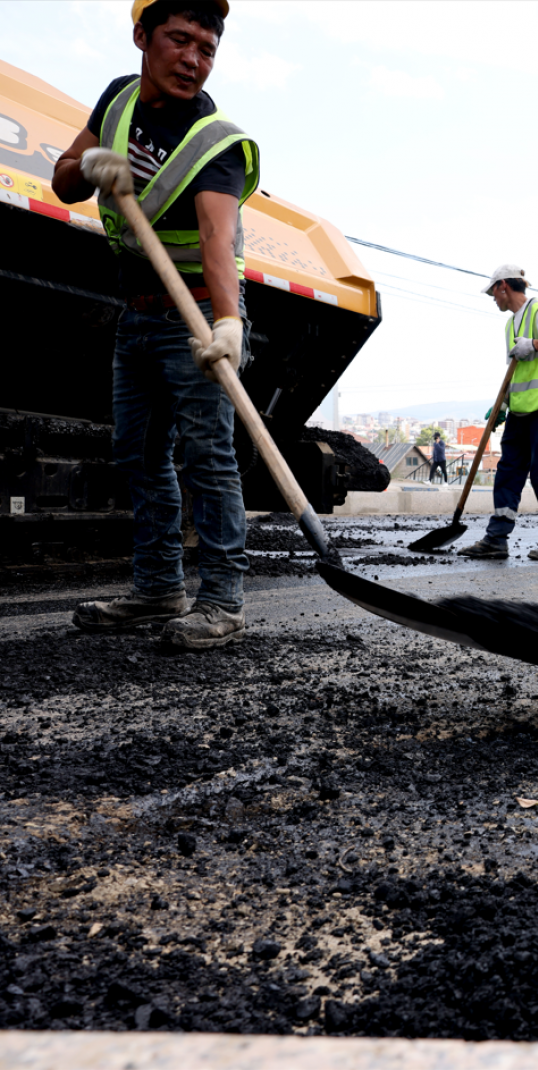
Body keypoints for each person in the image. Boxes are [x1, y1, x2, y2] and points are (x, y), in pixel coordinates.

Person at [53, 0, 258, 650]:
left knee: (208, 459)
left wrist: (227, 323)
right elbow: (61, 179)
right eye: (179, 40)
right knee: (140, 457)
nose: (193, 59)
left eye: (206, 48)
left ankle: (223, 602)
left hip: (197, 313)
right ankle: (157, 589)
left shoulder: (213, 139)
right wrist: (89, 166)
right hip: (136, 316)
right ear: (141, 36)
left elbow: (215, 237)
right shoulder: (117, 102)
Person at [459, 264, 538, 561]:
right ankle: (496, 539)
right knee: (508, 473)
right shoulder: (510, 325)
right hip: (519, 412)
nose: (493, 299)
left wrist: (535, 344)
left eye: (493, 292)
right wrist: (501, 405)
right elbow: (515, 372)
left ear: (503, 286)